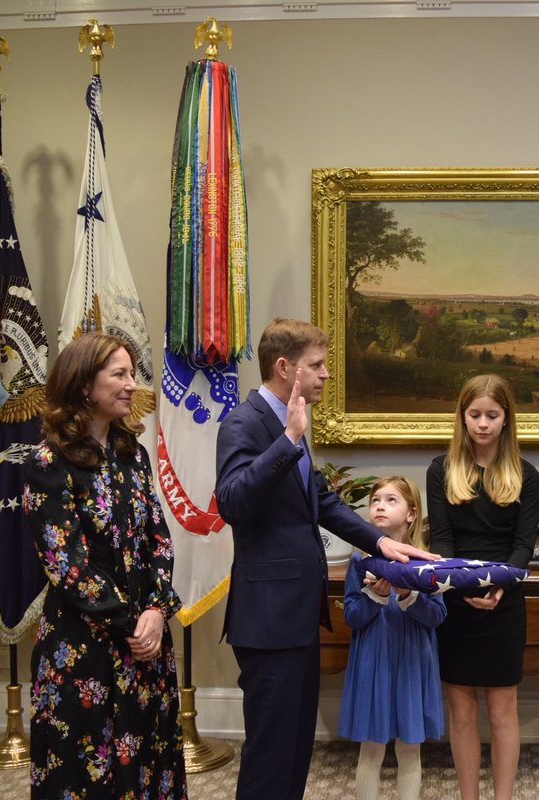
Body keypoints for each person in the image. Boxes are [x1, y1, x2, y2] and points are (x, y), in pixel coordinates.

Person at [214, 318, 436, 800]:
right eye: (316, 365)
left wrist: (381, 544)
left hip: (297, 615)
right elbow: (232, 503)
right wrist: (288, 441)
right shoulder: (246, 423)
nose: (326, 374)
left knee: (295, 747)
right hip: (267, 618)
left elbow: (322, 501)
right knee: (271, 750)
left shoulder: (287, 421)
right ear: (283, 367)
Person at [23, 332, 186, 798]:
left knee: (149, 765)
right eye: (119, 374)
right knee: (85, 775)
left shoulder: (132, 456)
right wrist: (133, 624)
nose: (133, 384)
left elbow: (160, 540)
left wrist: (156, 613)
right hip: (84, 651)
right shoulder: (48, 462)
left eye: (132, 374)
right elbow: (65, 564)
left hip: (146, 648)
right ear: (84, 385)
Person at [426, 374, 539, 800]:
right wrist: (458, 584)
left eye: (492, 415)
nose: (483, 424)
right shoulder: (440, 469)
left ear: (507, 419)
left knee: (503, 710)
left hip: (504, 603)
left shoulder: (526, 475)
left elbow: (523, 546)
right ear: (462, 417)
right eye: (474, 414)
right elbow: (441, 540)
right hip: (455, 602)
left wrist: (500, 589)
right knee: (460, 712)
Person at [339, 477, 447, 800]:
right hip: (374, 662)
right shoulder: (360, 562)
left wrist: (408, 595)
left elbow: (437, 616)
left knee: (409, 749)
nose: (380, 506)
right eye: (375, 501)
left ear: (412, 514)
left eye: (390, 500)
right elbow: (352, 616)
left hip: (412, 661)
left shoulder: (426, 563)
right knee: (370, 749)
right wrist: (373, 595)